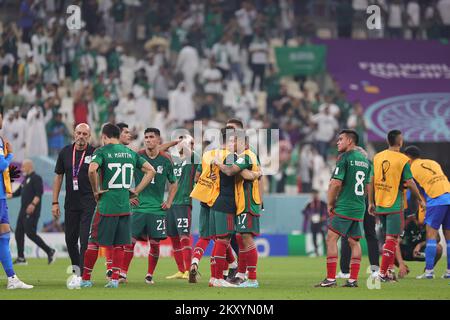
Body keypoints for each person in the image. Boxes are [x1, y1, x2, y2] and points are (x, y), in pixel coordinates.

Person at [80, 123, 155, 288]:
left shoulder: (102, 151)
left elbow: (92, 170)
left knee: (93, 243)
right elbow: (151, 170)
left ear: (105, 136)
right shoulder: (130, 153)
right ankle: (114, 279)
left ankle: (85, 278)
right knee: (120, 244)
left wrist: (95, 190)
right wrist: (135, 191)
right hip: (124, 206)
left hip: (106, 205)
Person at [120, 128, 177, 285]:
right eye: (146, 137)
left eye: (151, 137)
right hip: (138, 207)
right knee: (130, 241)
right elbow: (123, 175)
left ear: (158, 140)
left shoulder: (166, 160)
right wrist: (128, 194)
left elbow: (173, 183)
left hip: (157, 209)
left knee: (156, 243)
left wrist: (169, 201)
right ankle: (123, 274)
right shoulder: (137, 156)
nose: (148, 140)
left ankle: (149, 275)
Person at [315, 129, 371, 288]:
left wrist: (330, 203)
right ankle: (353, 280)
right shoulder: (366, 160)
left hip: (344, 206)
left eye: (341, 139)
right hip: (359, 206)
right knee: (354, 242)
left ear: (350, 141)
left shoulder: (345, 158)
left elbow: (335, 183)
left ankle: (331, 279)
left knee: (331, 239)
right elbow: (368, 185)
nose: (337, 142)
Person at [368, 130, 425, 282]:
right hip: (394, 204)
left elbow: (371, 180)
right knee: (392, 239)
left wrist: (371, 202)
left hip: (380, 203)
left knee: (388, 239)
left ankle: (388, 272)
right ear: (399, 141)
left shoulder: (378, 156)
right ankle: (382, 273)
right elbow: (411, 182)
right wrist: (419, 199)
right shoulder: (402, 159)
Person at [213, 130, 262, 288]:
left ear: (245, 144)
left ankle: (252, 279)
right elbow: (247, 175)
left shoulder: (246, 156)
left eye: (236, 142)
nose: (233, 144)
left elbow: (229, 171)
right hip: (243, 204)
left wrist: (218, 163)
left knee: (246, 238)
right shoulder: (245, 158)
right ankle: (241, 275)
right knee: (241, 238)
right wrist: (253, 173)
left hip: (248, 204)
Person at [52, 123, 96, 286]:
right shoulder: (65, 152)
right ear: (74, 134)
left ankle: (82, 276)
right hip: (70, 202)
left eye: (85, 133)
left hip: (89, 202)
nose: (81, 136)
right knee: (70, 239)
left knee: (84, 240)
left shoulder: (94, 152)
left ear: (89, 136)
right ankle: (77, 271)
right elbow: (58, 178)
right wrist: (54, 202)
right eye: (79, 133)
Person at [404, 145, 450, 279]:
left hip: (436, 199)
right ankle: (448, 272)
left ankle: (429, 272)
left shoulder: (411, 168)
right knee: (448, 239)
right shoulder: (433, 162)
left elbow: (409, 187)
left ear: (408, 157)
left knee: (431, 235)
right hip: (449, 196)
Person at [0, 112, 33, 289]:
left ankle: (12, 278)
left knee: (4, 236)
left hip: (1, 196)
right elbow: (1, 165)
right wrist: (10, 154)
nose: (1, 120)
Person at [337, 146, 379, 279]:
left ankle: (344, 271)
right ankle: (375, 270)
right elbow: (371, 184)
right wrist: (372, 202)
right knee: (371, 235)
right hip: (366, 201)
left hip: (352, 203)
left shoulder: (349, 163)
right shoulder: (369, 164)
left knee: (346, 236)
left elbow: (339, 184)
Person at [165, 135, 200, 280]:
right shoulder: (173, 160)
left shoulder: (194, 158)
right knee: (173, 237)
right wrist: (175, 143)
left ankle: (187, 269)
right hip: (171, 203)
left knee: (184, 236)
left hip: (184, 202)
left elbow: (191, 153)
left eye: (190, 143)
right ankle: (180, 270)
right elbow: (158, 151)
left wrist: (185, 143)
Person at [12, 160, 56, 265]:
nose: (21, 169)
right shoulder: (25, 179)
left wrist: (32, 205)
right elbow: (16, 193)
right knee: (18, 233)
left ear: (29, 166)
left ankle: (49, 251)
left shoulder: (36, 178)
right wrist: (3, 196)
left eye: (23, 167)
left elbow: (39, 193)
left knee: (30, 233)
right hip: (23, 211)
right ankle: (21, 258)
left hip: (32, 211)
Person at [104, 122, 133, 280]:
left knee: (123, 240)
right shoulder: (105, 153)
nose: (129, 135)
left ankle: (118, 271)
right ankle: (111, 268)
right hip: (109, 202)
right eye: (126, 132)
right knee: (111, 238)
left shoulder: (129, 153)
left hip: (124, 201)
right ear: (118, 135)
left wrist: (134, 193)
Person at [396, 209, 442, 279]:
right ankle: (403, 268)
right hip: (406, 251)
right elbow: (396, 243)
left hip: (421, 251)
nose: (421, 227)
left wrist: (420, 245)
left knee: (438, 248)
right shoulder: (406, 222)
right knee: (388, 247)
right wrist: (400, 264)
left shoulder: (429, 222)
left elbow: (437, 239)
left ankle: (428, 271)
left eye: (423, 225)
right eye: (420, 224)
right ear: (415, 218)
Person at [302, 190, 327, 257]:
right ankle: (316, 251)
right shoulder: (309, 203)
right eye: (313, 194)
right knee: (314, 237)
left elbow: (327, 212)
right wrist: (309, 216)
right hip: (313, 223)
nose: (314, 195)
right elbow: (304, 212)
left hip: (321, 222)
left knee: (324, 237)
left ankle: (327, 251)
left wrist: (323, 218)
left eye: (316, 194)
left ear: (318, 194)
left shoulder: (322, 203)